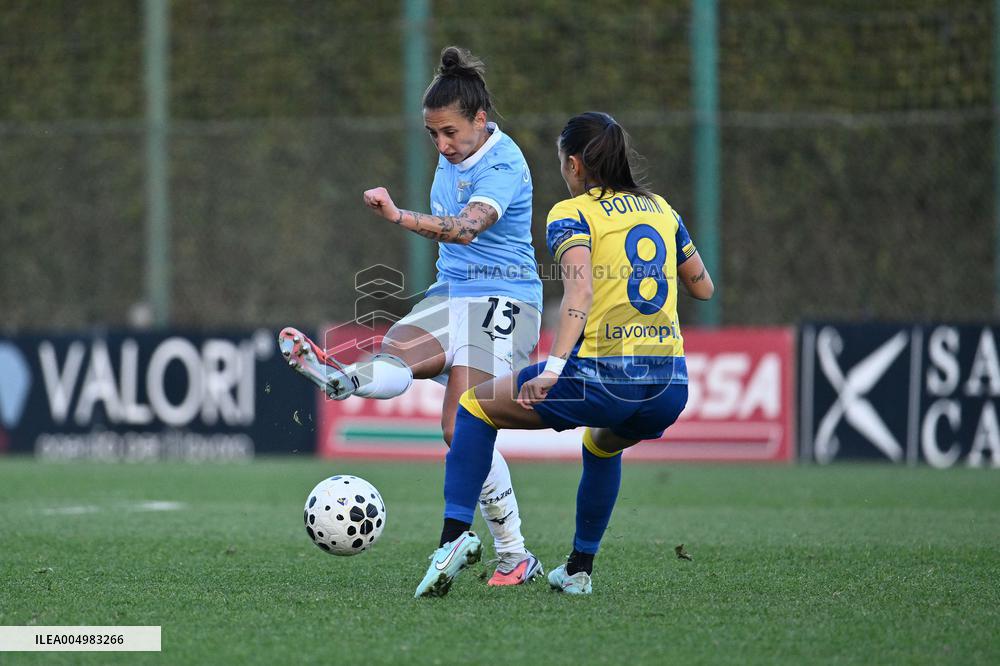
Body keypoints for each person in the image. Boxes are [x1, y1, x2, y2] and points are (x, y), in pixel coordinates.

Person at [413, 111, 714, 598]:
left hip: (604, 376)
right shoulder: (662, 208)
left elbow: (578, 295)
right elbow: (703, 288)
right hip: (668, 386)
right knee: (600, 445)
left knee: (472, 407)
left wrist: (553, 369)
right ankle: (577, 569)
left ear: (574, 164)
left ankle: (451, 542)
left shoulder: (571, 213)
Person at [279, 46, 544, 586]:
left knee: (459, 424)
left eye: (449, 132)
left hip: (507, 301)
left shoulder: (504, 162)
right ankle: (344, 378)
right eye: (433, 135)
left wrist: (398, 216)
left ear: (480, 120)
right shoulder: (455, 155)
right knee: (395, 355)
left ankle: (514, 555)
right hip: (450, 293)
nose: (442, 145)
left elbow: (467, 228)